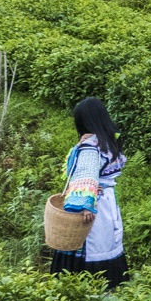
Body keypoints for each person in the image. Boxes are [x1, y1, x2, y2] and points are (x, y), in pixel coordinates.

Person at [54, 96, 127, 289]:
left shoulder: (89, 148)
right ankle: (112, 287)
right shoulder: (110, 141)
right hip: (107, 202)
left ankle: (84, 291)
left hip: (93, 204)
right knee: (106, 243)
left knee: (87, 243)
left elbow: (82, 175)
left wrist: (86, 205)